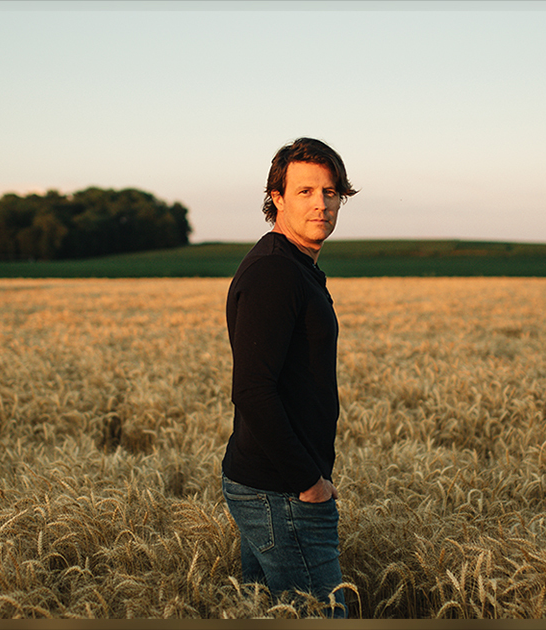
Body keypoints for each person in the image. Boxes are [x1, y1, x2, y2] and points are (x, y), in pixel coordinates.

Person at [221, 137, 358, 618]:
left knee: (266, 613)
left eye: (330, 191)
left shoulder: (294, 265)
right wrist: (309, 482)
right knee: (323, 616)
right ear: (276, 198)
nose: (321, 203)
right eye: (305, 191)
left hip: (271, 483)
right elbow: (252, 391)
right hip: (281, 491)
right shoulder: (275, 272)